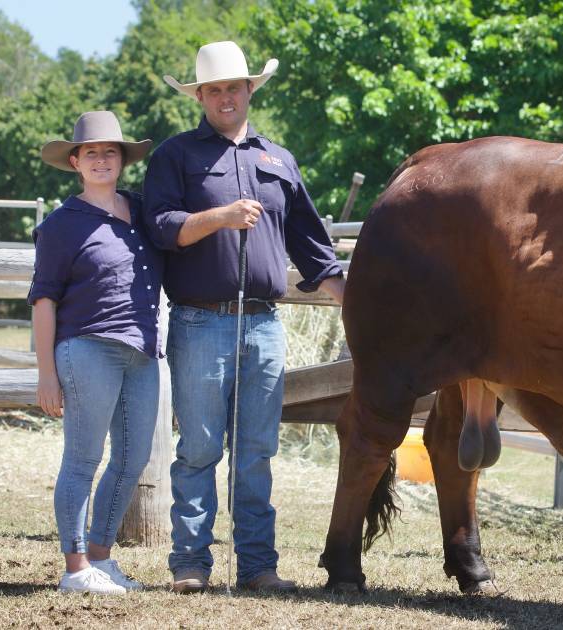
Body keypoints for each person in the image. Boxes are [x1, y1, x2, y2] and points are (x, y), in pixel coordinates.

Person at [145, 40, 346, 594]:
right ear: (200, 97)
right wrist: (219, 217)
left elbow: (310, 245)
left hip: (263, 325)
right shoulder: (176, 156)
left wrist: (354, 306)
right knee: (201, 450)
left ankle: (258, 566)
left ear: (249, 89)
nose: (225, 97)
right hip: (198, 321)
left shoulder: (277, 159)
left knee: (257, 452)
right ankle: (190, 565)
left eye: (234, 86)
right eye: (214, 90)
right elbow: (161, 227)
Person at [30, 111, 162, 594]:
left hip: (143, 351)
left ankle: (102, 560)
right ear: (75, 161)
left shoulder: (143, 212)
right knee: (83, 459)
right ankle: (75, 566)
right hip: (86, 348)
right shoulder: (61, 226)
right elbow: (44, 301)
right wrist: (46, 373)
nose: (102, 159)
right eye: (92, 153)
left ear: (122, 160)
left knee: (133, 458)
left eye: (111, 152)